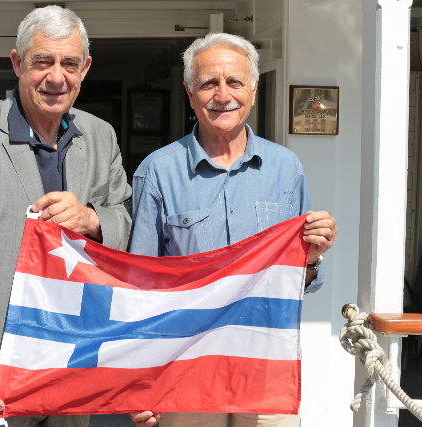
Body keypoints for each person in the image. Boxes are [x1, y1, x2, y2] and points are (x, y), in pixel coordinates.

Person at [0, 6, 132, 427]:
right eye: (42, 61)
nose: (57, 77)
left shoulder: (101, 135)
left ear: (85, 68)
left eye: (69, 63)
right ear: (17, 62)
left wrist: (93, 219)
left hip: (75, 359)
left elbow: (125, 219)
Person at [127, 33, 338, 427]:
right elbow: (141, 288)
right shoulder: (157, 171)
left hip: (265, 359)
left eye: (235, 82)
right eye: (209, 83)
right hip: (185, 364)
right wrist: (141, 380)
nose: (223, 95)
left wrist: (313, 258)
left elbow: (304, 278)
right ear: (190, 93)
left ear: (254, 90)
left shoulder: (286, 168)